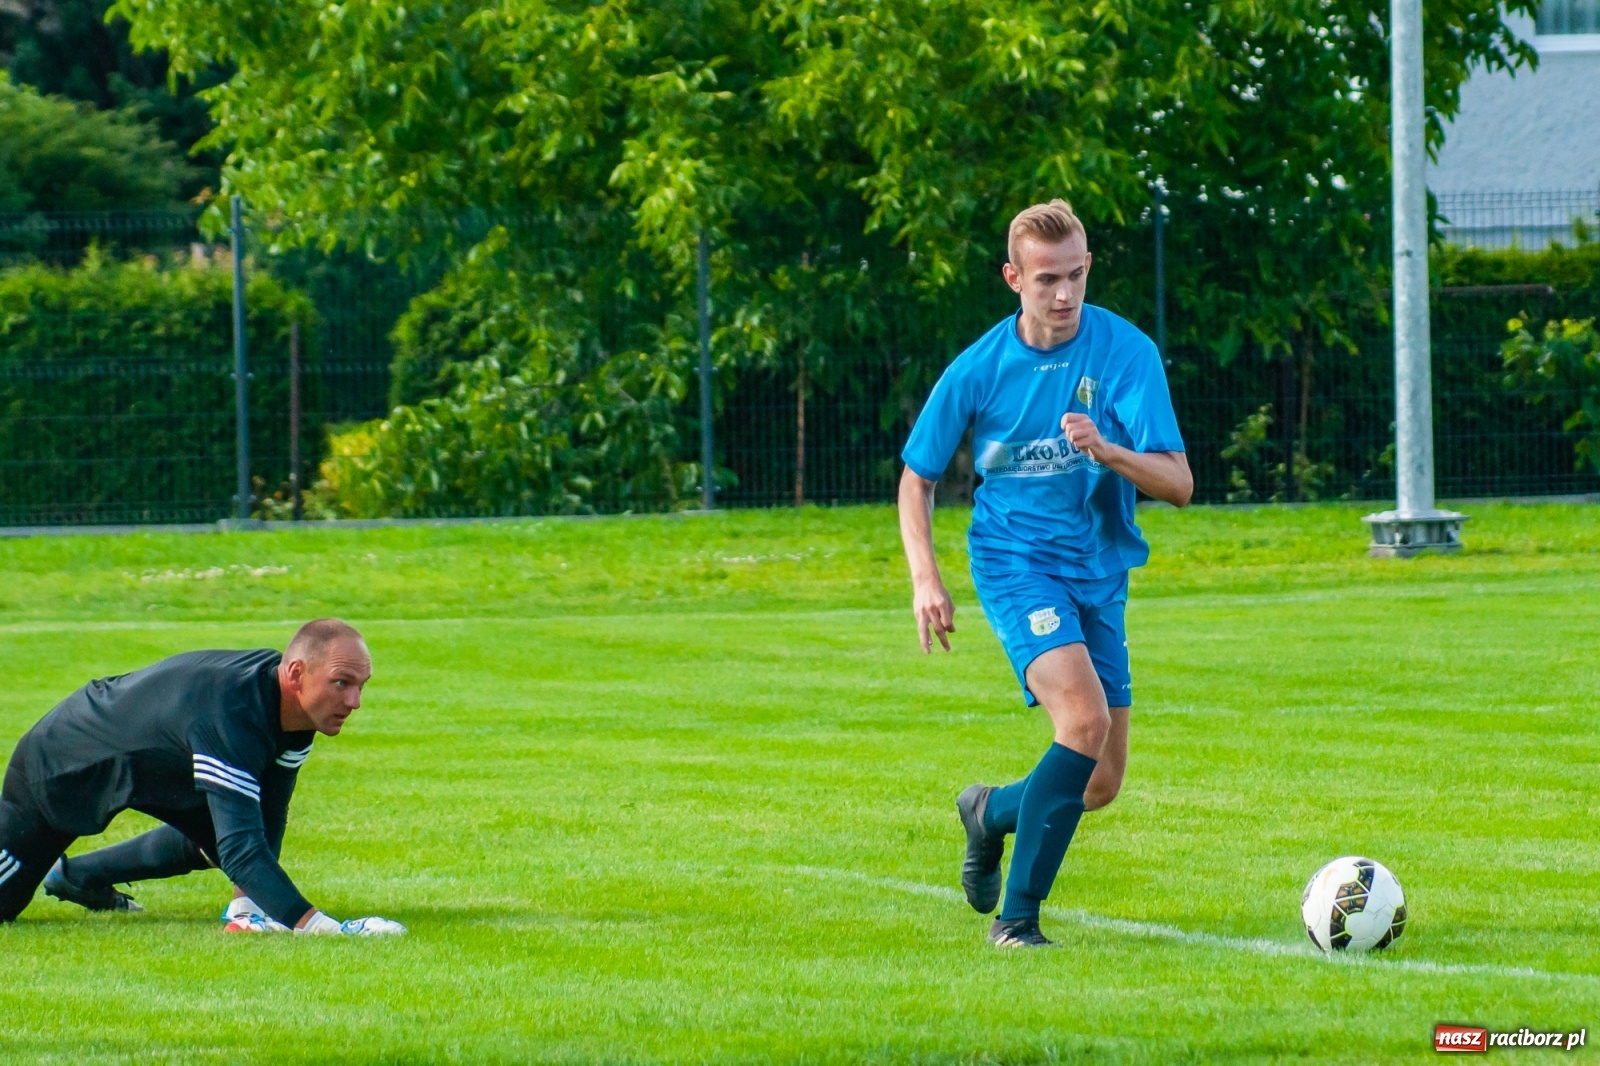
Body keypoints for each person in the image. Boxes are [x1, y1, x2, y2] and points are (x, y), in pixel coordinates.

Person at [897, 199, 1192, 948]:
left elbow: (1179, 483)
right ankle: (1016, 921)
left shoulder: (1126, 353)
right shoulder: (980, 367)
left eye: (1077, 276)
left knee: (1099, 782)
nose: (1064, 295)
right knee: (1082, 721)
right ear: (1012, 278)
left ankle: (989, 810)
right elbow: (916, 476)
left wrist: (1110, 453)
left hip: (1097, 567)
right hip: (1014, 561)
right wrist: (925, 578)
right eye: (1047, 280)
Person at [0, 618, 405, 935]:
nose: (354, 702)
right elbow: (241, 849)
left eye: (360, 686)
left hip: (152, 764)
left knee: (235, 833)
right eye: (341, 683)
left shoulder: (297, 713)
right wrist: (317, 926)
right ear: (297, 674)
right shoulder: (232, 712)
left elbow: (269, 815)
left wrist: (249, 909)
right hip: (60, 764)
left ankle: (78, 876)